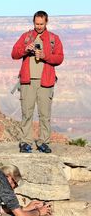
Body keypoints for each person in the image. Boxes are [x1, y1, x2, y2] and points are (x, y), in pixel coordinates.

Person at [11, 10, 64, 153]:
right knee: (27, 113)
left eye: (41, 24)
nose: (39, 26)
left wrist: (45, 56)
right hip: (27, 81)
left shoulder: (53, 38)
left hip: (46, 81)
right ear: (33, 22)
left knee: (44, 114)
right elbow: (14, 54)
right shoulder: (26, 37)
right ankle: (25, 142)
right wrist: (25, 49)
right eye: (36, 23)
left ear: (46, 22)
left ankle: (43, 142)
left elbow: (59, 58)